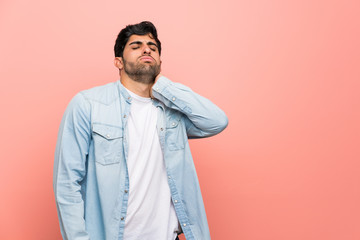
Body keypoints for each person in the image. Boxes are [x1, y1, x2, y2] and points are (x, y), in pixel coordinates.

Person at [53, 21, 228, 240]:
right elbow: (67, 183)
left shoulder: (173, 112)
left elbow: (216, 121)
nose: (146, 49)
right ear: (118, 61)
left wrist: (165, 87)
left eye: (152, 48)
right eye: (136, 46)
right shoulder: (87, 104)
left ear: (160, 63)